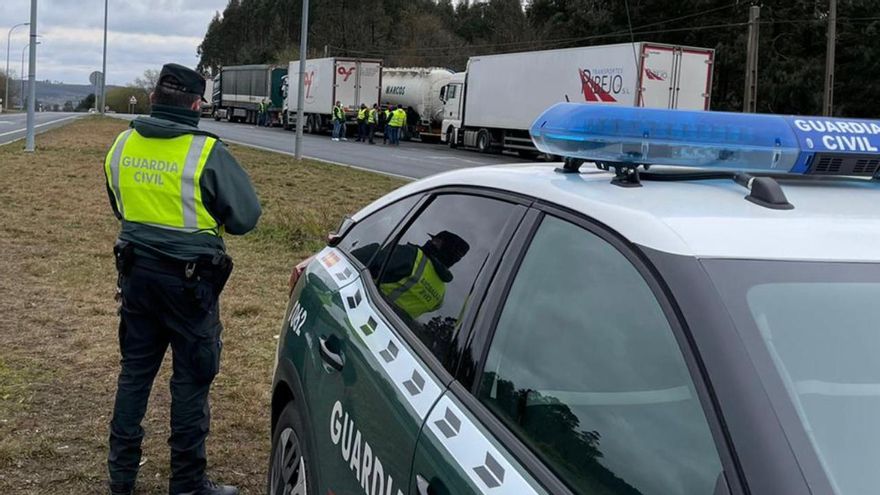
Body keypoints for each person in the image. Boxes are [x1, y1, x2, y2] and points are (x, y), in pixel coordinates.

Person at [103, 63, 261, 495]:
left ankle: (121, 481)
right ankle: (188, 486)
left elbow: (120, 205)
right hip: (190, 286)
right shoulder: (208, 152)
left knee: (134, 374)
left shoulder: (122, 144)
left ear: (153, 99)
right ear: (196, 105)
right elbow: (245, 218)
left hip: (135, 274)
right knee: (191, 380)